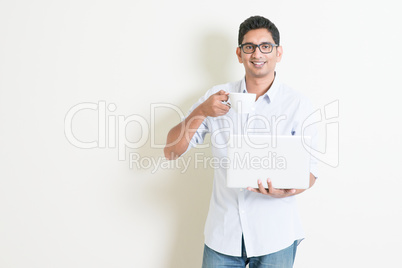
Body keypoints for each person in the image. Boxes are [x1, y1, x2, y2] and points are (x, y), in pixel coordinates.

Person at [164, 15, 318, 268]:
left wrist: (287, 190)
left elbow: (311, 171)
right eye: (249, 47)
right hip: (223, 236)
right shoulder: (215, 98)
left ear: (278, 53)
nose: (257, 54)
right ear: (239, 53)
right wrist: (200, 111)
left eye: (265, 46)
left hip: (275, 235)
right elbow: (170, 151)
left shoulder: (297, 104)